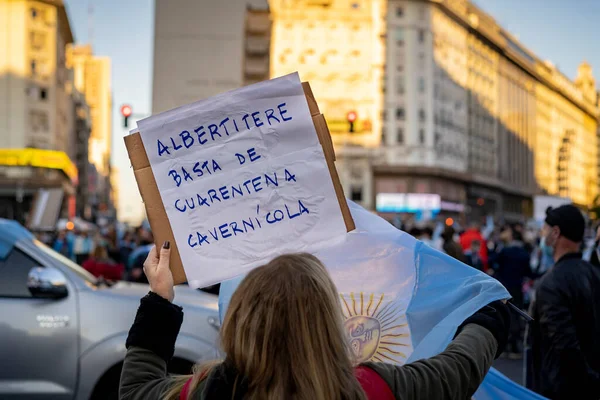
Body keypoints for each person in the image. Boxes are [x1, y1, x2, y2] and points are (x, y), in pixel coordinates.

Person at [119, 243, 510, 400]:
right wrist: (488, 319)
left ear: (242, 318)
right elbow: (454, 373)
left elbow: (137, 391)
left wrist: (160, 298)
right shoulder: (366, 389)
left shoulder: (210, 391)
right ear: (327, 321)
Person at [527, 205, 600, 399]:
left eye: (545, 230)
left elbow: (566, 348)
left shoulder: (551, 284)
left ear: (556, 233)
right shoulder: (593, 273)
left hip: (562, 390)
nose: (543, 236)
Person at [491, 227, 533, 359]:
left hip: (504, 286)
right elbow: (529, 272)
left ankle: (505, 345)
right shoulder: (524, 253)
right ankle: (515, 344)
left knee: (504, 314)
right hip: (517, 287)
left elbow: (493, 261)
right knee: (516, 314)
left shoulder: (505, 251)